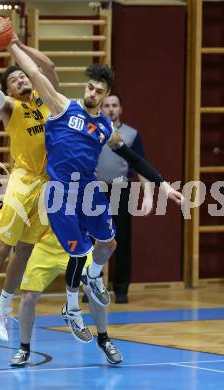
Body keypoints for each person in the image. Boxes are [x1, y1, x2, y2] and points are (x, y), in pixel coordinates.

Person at [8, 42, 184, 342]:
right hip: (61, 193)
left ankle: (93, 276)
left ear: (105, 96)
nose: (92, 93)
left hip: (89, 191)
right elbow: (35, 72)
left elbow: (132, 157)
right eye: (89, 88)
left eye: (98, 91)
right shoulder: (63, 106)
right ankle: (73, 309)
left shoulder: (105, 127)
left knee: (108, 245)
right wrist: (12, 45)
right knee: (79, 251)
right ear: (86, 88)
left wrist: (162, 184)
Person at [0, 35, 59, 343]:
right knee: (4, 245)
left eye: (22, 76)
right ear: (10, 91)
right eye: (15, 80)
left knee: (26, 249)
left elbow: (49, 66)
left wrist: (17, 43)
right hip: (22, 179)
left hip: (46, 182)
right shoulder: (10, 107)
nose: (21, 81)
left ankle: (1, 307)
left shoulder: (46, 100)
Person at [10, 230, 122, 366]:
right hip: (44, 247)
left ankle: (104, 339)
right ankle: (24, 348)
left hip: (78, 245)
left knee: (92, 289)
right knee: (28, 297)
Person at [95, 93, 153, 303]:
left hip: (121, 190)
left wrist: (148, 195)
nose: (110, 109)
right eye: (107, 105)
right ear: (101, 109)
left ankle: (121, 289)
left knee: (121, 240)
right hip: (96, 190)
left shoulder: (131, 134)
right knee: (94, 239)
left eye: (114, 105)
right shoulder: (94, 131)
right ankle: (93, 285)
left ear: (121, 109)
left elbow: (141, 166)